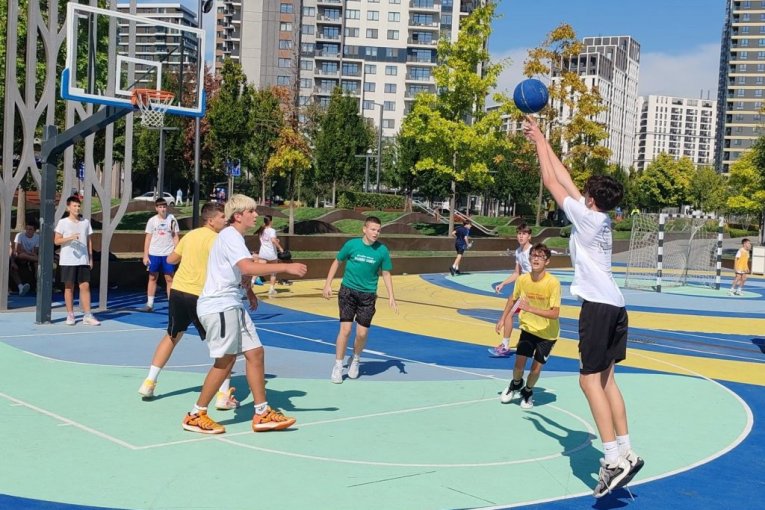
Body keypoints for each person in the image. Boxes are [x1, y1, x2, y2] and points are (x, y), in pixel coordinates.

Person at [523, 116, 643, 498]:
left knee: (588, 381)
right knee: (607, 380)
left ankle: (612, 460)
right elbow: (564, 176)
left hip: (598, 307)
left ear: (591, 199)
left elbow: (550, 180)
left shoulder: (587, 219)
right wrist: (541, 137)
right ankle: (626, 450)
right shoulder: (599, 217)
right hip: (616, 306)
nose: (580, 192)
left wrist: (538, 142)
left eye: (585, 192)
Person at [181, 194, 307, 435]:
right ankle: (196, 414)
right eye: (251, 211)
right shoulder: (230, 235)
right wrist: (285, 267)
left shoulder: (234, 237)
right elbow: (247, 267)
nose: (256, 215)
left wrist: (248, 291)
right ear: (238, 216)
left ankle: (262, 413)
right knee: (225, 361)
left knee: (255, 352)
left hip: (232, 304)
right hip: (219, 306)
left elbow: (240, 271)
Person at [138, 202, 240, 410]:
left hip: (178, 291)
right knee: (225, 345)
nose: (226, 220)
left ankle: (149, 382)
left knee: (172, 336)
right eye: (222, 217)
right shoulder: (218, 240)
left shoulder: (191, 236)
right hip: (202, 295)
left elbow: (171, 258)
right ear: (210, 220)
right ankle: (223, 395)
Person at [323, 216, 398, 384]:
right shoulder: (352, 245)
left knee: (362, 333)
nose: (376, 233)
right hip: (348, 291)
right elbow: (337, 262)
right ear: (364, 229)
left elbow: (386, 273)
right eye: (373, 229)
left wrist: (391, 296)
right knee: (346, 330)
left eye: (378, 230)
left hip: (368, 295)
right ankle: (338, 365)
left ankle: (355, 358)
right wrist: (327, 284)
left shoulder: (382, 250)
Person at [496, 243, 560, 409]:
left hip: (547, 334)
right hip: (528, 329)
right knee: (519, 366)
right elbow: (512, 299)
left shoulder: (553, 283)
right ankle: (516, 384)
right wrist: (503, 318)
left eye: (540, 257)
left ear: (547, 261)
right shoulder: (523, 280)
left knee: (535, 370)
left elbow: (555, 313)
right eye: (533, 256)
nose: (536, 259)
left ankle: (528, 391)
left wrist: (530, 308)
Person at [54, 195, 100, 326]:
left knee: (85, 286)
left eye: (79, 206)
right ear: (68, 207)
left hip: (83, 260)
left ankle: (87, 315)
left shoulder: (85, 222)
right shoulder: (63, 223)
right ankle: (70, 314)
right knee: (69, 287)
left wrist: (90, 258)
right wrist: (69, 238)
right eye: (74, 206)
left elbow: (89, 241)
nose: (77, 208)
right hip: (68, 260)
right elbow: (56, 240)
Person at [491, 223, 533, 356]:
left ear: (529, 236)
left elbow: (537, 272)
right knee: (510, 307)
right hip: (522, 287)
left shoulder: (532, 252)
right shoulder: (518, 251)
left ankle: (507, 342)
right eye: (519, 234)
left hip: (531, 289)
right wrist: (503, 283)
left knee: (518, 314)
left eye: (524, 234)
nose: (521, 236)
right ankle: (505, 343)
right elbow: (516, 273)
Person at [141, 197, 180, 312]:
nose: (162, 209)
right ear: (156, 208)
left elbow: (175, 237)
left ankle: (172, 304)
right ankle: (149, 304)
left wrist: (177, 252)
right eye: (160, 207)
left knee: (169, 278)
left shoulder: (172, 219)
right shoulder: (152, 221)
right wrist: (145, 255)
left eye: (164, 207)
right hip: (154, 253)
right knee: (152, 277)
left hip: (168, 253)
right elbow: (148, 238)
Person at [255, 215, 285, 297]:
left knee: (257, 270)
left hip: (263, 252)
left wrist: (275, 240)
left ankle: (251, 283)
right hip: (271, 253)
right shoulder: (272, 230)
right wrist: (280, 247)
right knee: (273, 272)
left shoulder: (261, 230)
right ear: (271, 221)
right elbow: (272, 240)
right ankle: (271, 289)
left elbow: (264, 241)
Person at [13, 220, 39, 294]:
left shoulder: (37, 237)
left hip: (30, 256)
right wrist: (28, 253)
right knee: (23, 255)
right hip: (20, 255)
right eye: (27, 229)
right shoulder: (19, 235)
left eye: (30, 229)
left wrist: (27, 252)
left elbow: (35, 251)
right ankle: (40, 260)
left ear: (34, 231)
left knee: (37, 265)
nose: (28, 231)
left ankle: (38, 285)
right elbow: (17, 250)